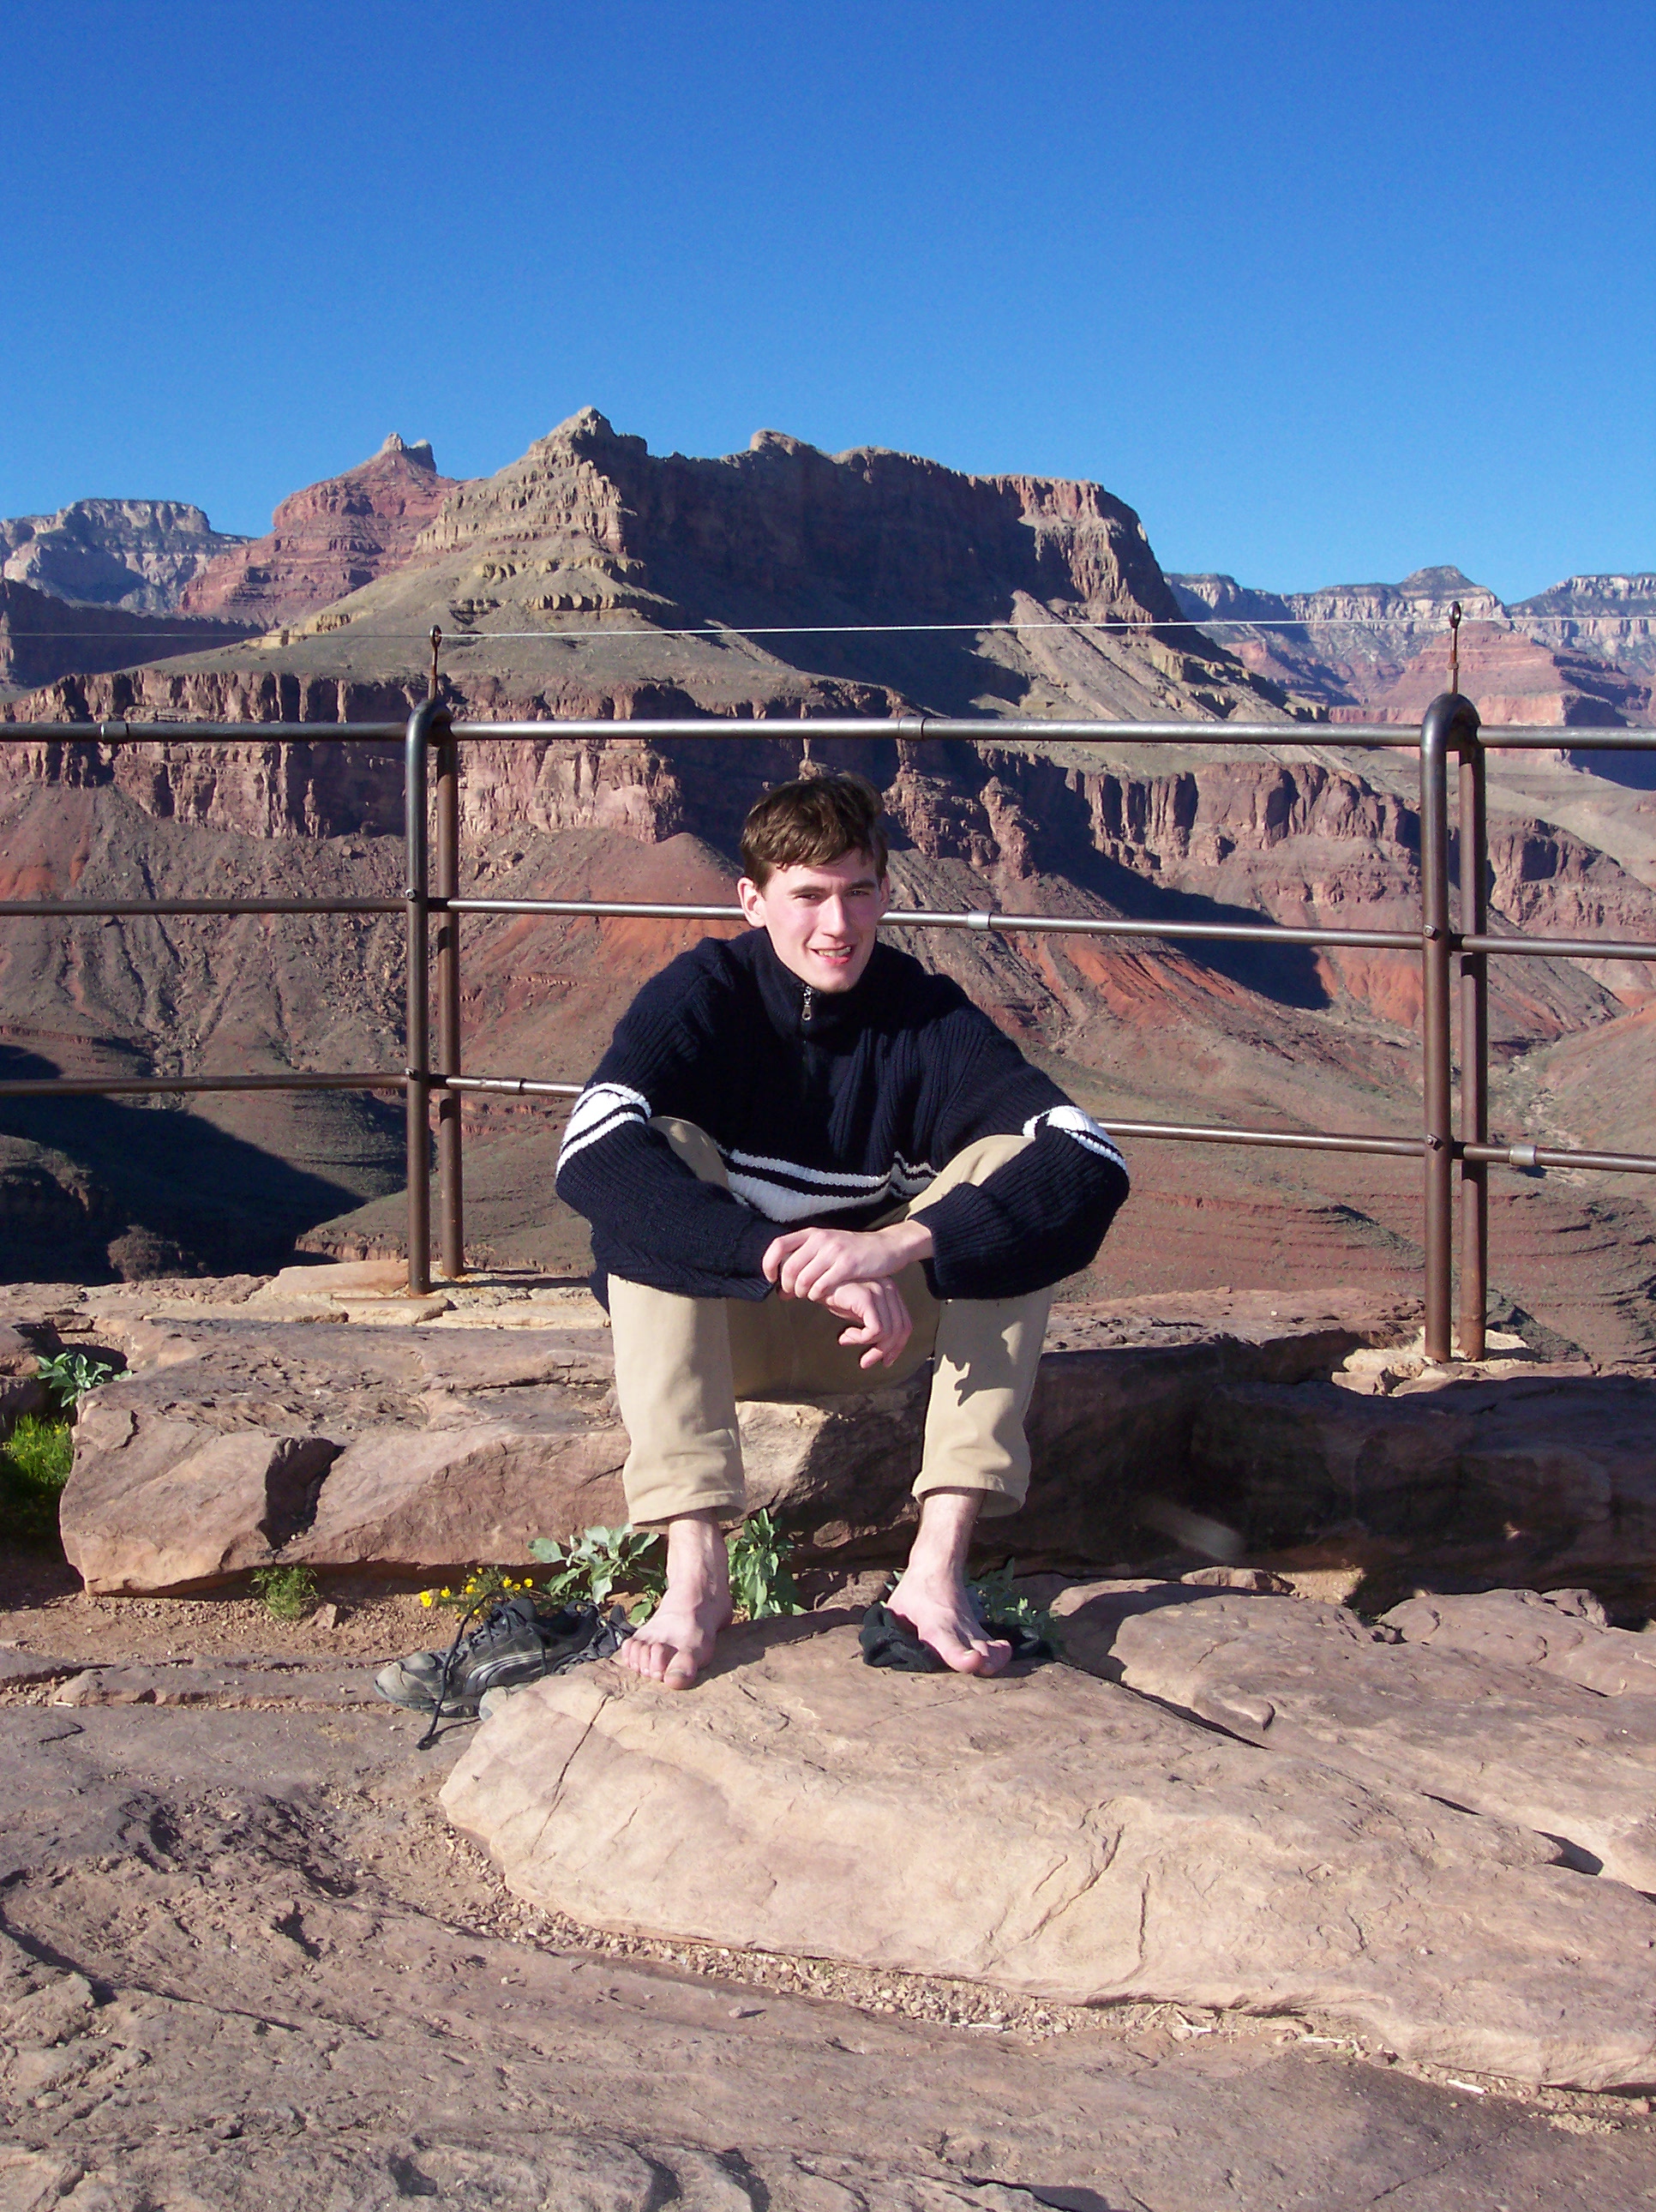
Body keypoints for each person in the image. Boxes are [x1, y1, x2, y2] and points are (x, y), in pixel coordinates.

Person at [555, 771, 1129, 1688]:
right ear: (752, 901)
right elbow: (590, 1149)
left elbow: (1089, 1157)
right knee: (662, 1149)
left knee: (1010, 1171)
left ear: (887, 893)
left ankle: (937, 1570)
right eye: (808, 895)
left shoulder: (925, 1017)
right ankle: (696, 1573)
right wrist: (779, 1254)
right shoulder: (705, 994)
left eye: (859, 892)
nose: (838, 924)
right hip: (723, 1329)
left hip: (877, 1334)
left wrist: (893, 1246)